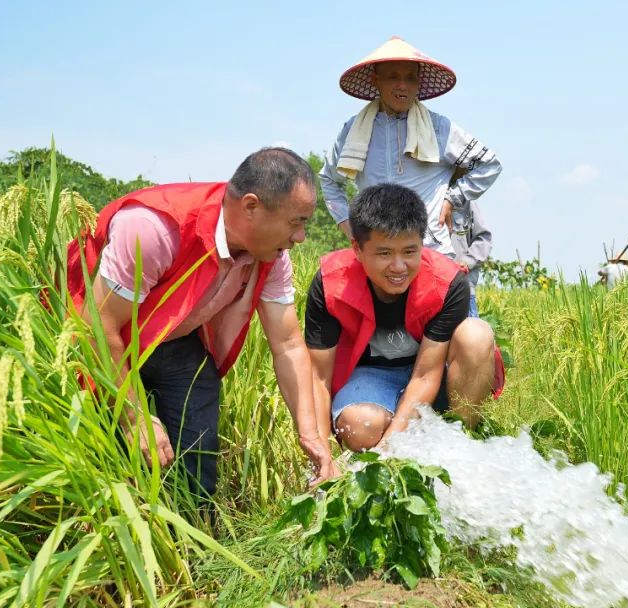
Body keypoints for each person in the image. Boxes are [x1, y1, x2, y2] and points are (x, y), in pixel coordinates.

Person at [67, 147, 336, 503]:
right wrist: (134, 417)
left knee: (195, 452)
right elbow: (97, 327)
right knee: (109, 457)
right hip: (100, 344)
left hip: (170, 340)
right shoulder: (154, 229)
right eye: (296, 222)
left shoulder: (272, 255)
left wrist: (311, 434)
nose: (300, 237)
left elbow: (287, 343)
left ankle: (192, 518)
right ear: (251, 206)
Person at [304, 183, 504, 453]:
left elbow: (425, 376)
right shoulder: (330, 284)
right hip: (372, 376)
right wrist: (321, 451)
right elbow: (318, 377)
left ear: (422, 244)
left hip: (435, 375)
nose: (398, 267)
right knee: (359, 427)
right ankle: (412, 436)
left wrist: (388, 450)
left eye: (409, 252)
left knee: (476, 335)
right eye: (384, 253)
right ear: (357, 249)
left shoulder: (448, 283)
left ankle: (460, 442)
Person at [318, 36, 501, 261]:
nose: (402, 85)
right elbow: (329, 180)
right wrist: (349, 226)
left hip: (431, 251)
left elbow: (489, 164)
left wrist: (452, 199)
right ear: (376, 80)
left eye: (410, 78)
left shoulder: (438, 127)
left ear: (418, 83)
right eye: (393, 77)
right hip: (377, 255)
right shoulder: (354, 130)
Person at [449, 198, 492, 317]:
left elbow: (484, 239)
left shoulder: (466, 201)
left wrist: (466, 262)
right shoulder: (422, 197)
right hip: (427, 294)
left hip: (462, 291)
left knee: (471, 329)